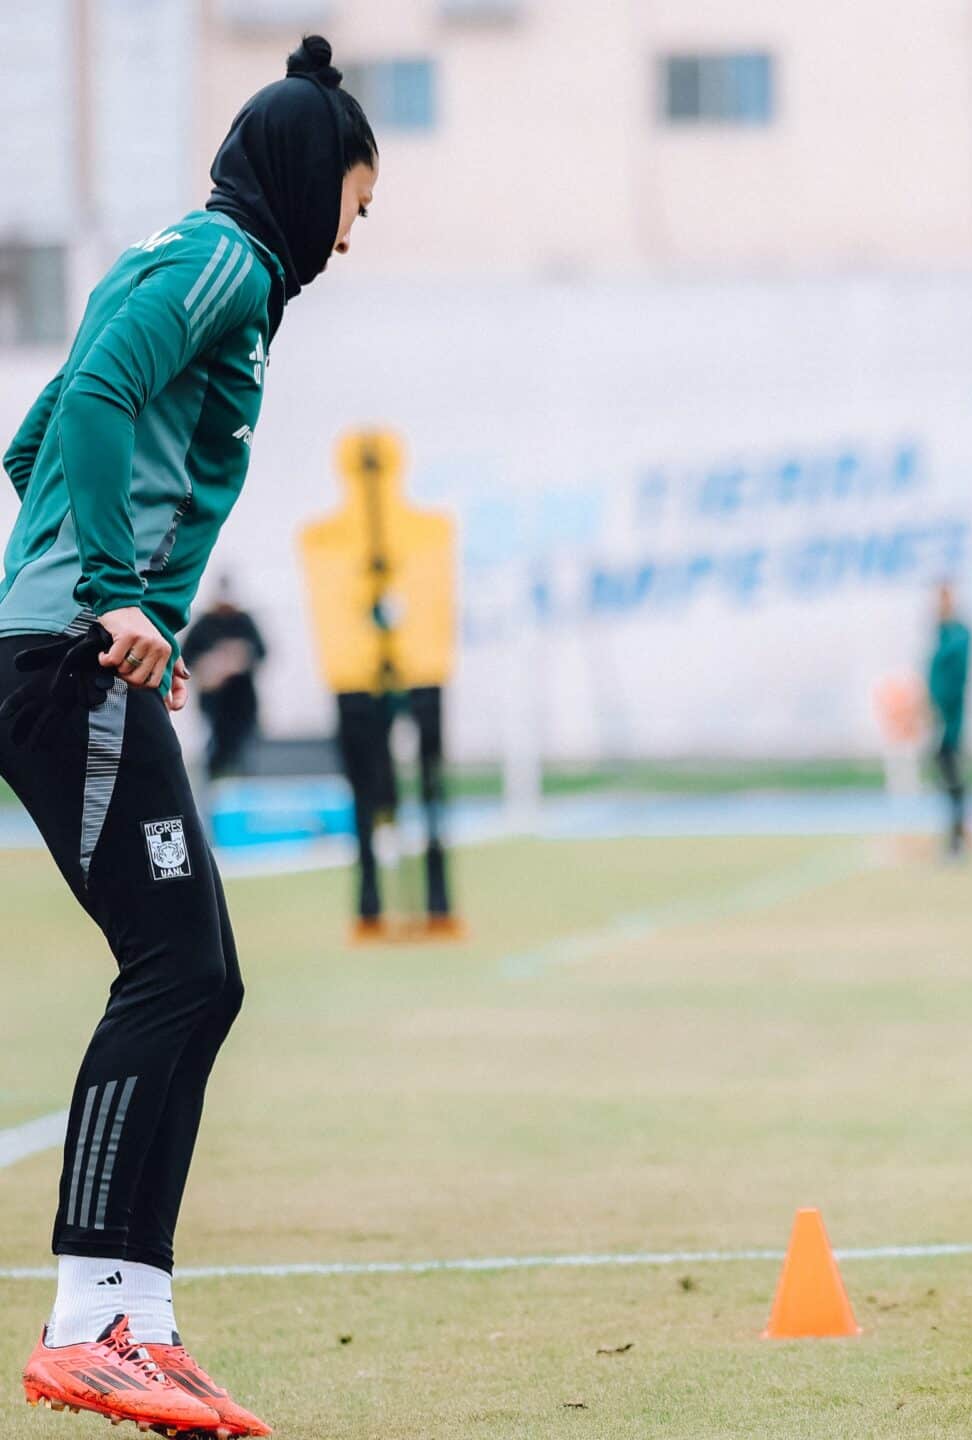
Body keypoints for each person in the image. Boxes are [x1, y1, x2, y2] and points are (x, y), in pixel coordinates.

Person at [0, 35, 375, 1437]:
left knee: (194, 976)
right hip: (69, 661)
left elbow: (34, 439)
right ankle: (95, 1318)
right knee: (177, 971)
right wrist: (109, 595)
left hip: (61, 652)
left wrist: (108, 576)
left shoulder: (200, 267)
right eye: (357, 201)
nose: (354, 232)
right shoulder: (224, 260)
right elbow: (86, 405)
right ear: (306, 176)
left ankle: (131, 1320)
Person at [179, 578, 267, 780]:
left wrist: (240, 657)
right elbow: (184, 659)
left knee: (244, 750)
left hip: (243, 701)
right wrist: (209, 665)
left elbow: (262, 652)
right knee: (214, 752)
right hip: (213, 703)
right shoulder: (204, 624)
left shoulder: (244, 621)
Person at [926, 584, 972, 858]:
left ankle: (957, 836)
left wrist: (941, 711)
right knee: (946, 776)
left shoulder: (957, 635)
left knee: (952, 775)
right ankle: (956, 832)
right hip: (938, 718)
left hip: (949, 720)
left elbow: (951, 680)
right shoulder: (941, 634)